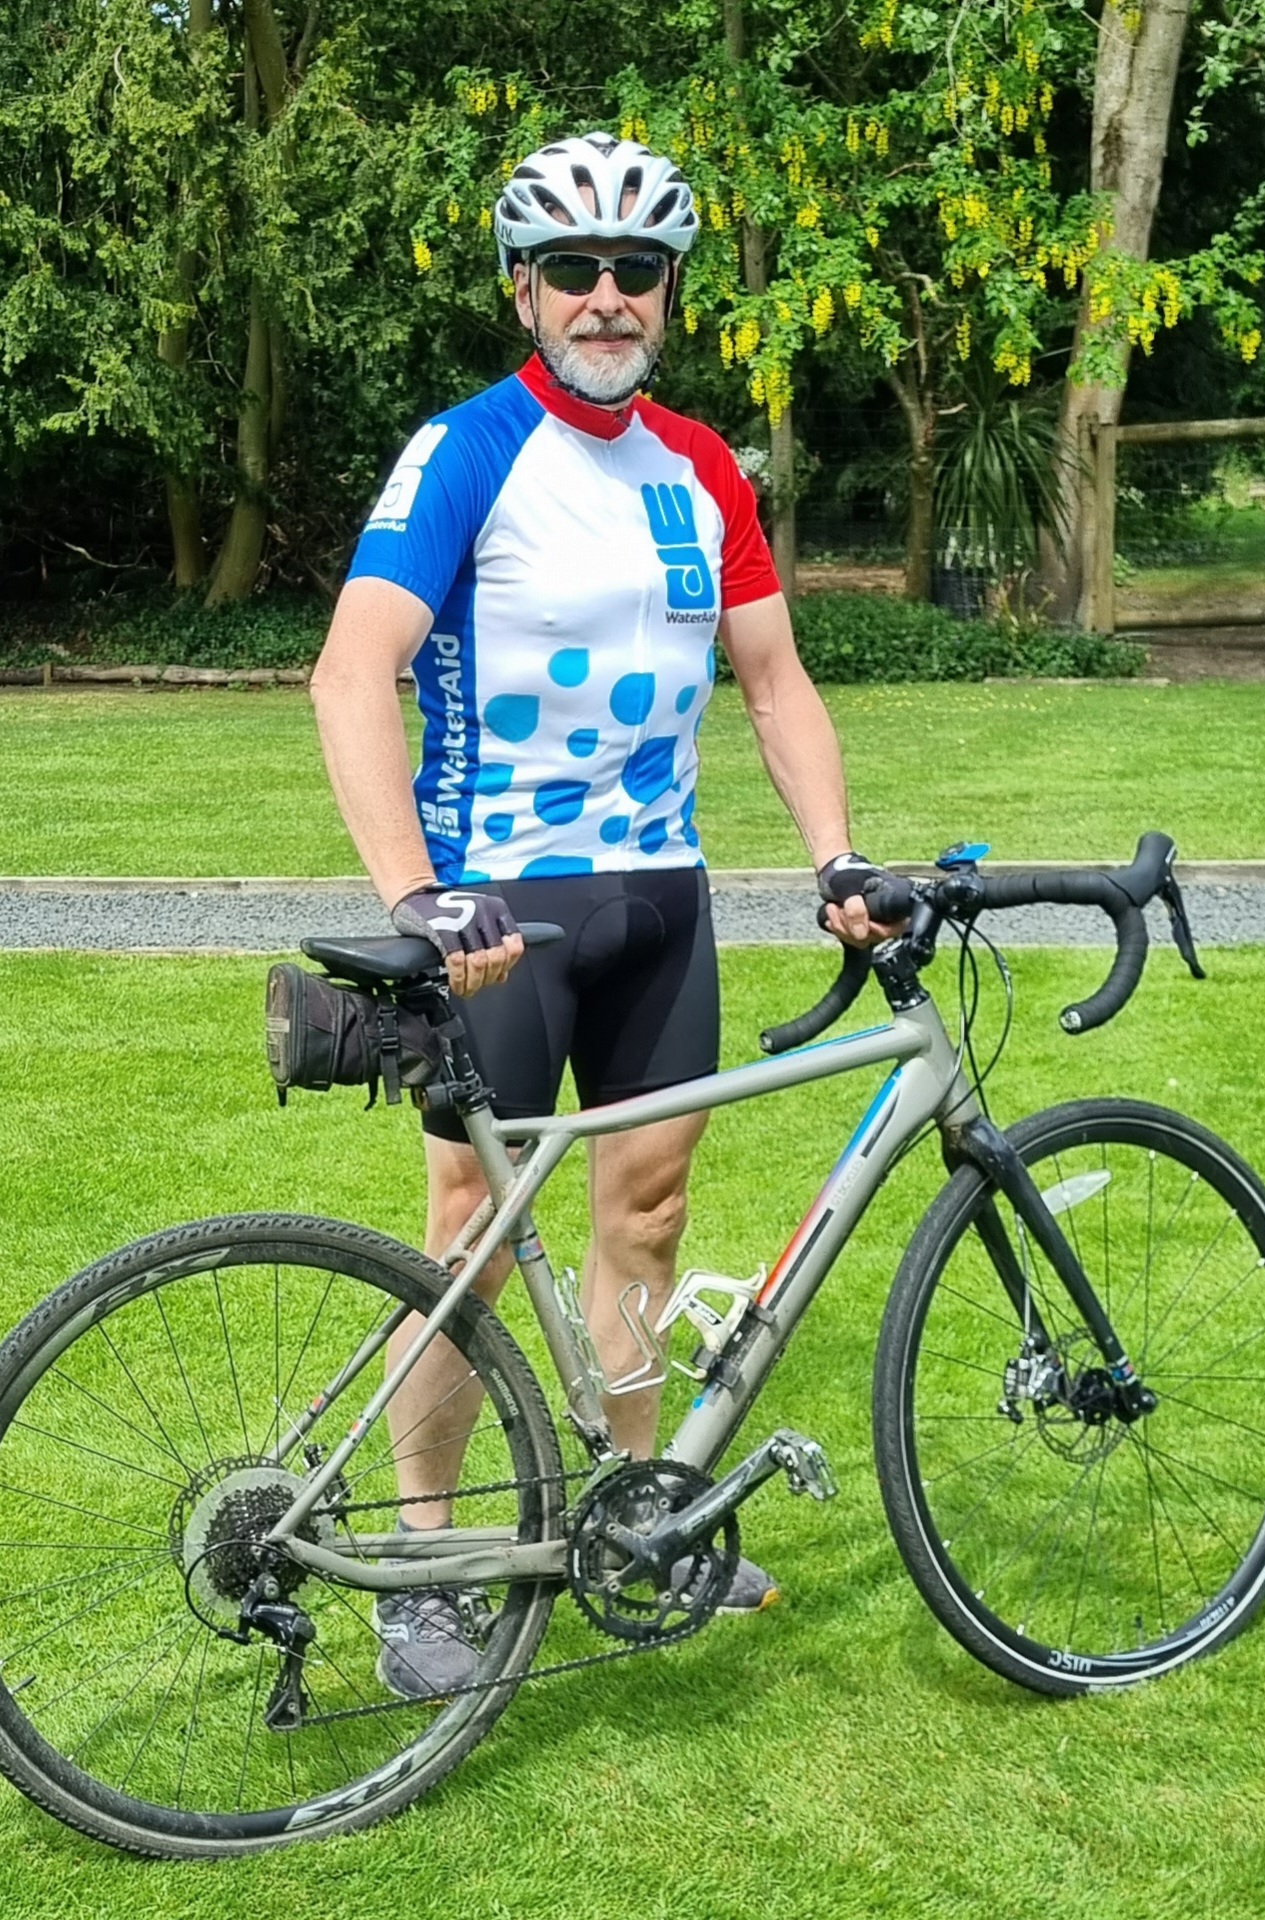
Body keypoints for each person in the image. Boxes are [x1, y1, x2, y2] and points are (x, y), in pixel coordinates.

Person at [311, 131, 892, 1699]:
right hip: (500, 912)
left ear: (670, 292)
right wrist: (415, 893)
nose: (607, 296)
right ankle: (423, 1567)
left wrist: (835, 857)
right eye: (573, 268)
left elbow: (774, 681)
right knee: (469, 1242)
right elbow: (352, 675)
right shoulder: (466, 453)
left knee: (647, 1213)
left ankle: (644, 1522)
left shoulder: (704, 468)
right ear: (524, 288)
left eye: (638, 269)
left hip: (659, 904)